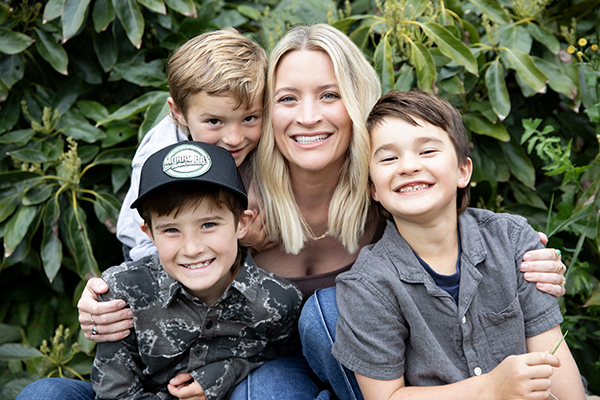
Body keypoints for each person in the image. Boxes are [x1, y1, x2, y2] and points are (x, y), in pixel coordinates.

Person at [34, 25, 566, 400]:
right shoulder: (228, 175)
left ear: (356, 102)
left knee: (325, 315)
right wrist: (106, 298)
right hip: (231, 368)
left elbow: (451, 212)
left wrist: (528, 253)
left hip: (360, 378)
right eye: (288, 99)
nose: (307, 117)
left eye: (329, 94)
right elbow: (162, 243)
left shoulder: (386, 183)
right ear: (267, 108)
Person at [332, 90, 584, 400]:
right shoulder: (369, 285)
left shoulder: (511, 240)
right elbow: (386, 397)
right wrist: (490, 389)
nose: (408, 166)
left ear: (463, 170)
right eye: (388, 157)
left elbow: (552, 357)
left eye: (427, 151)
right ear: (373, 188)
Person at [92, 141, 302, 400]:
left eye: (209, 224)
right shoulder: (122, 295)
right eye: (171, 230)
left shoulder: (280, 300)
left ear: (242, 223)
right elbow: (115, 394)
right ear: (149, 233)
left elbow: (287, 369)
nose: (191, 249)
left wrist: (229, 371)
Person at [117, 27, 266, 262]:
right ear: (178, 112)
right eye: (214, 121)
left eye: (249, 118)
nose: (234, 138)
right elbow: (151, 241)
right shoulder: (160, 157)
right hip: (151, 248)